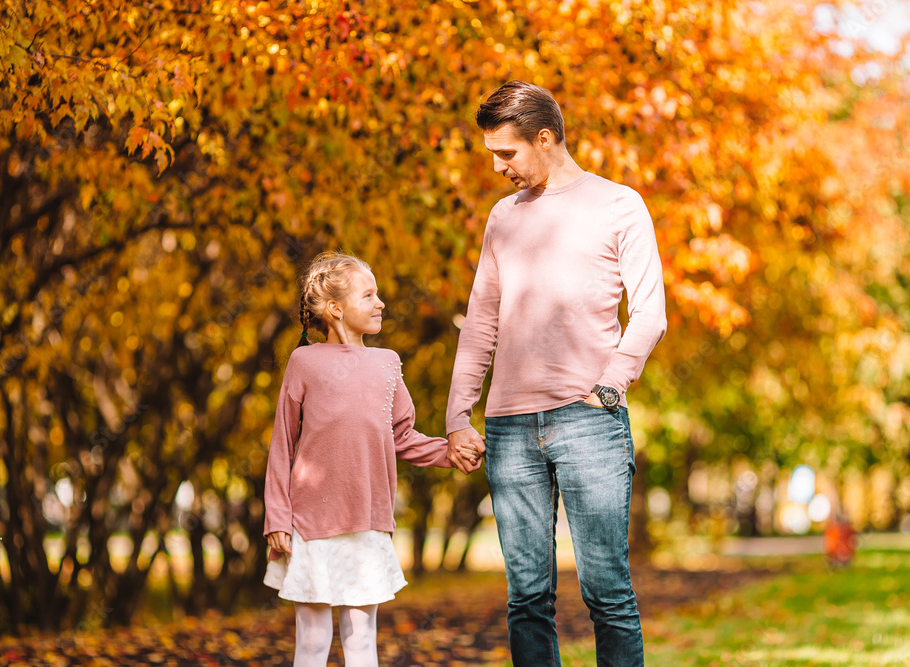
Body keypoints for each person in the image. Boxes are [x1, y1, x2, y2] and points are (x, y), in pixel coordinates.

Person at [445, 81, 667, 666]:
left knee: (607, 594)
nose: (498, 167)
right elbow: (481, 322)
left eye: (507, 153)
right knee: (527, 599)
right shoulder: (502, 218)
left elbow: (650, 314)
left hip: (589, 422)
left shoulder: (619, 205)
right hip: (510, 430)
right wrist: (457, 416)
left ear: (545, 139)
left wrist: (610, 384)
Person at [264, 251, 478, 666]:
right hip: (310, 526)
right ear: (335, 309)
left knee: (362, 641)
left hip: (368, 522)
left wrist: (450, 453)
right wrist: (277, 516)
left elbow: (403, 437)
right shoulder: (303, 361)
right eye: (369, 295)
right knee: (311, 641)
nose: (380, 303)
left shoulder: (387, 364)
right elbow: (282, 443)